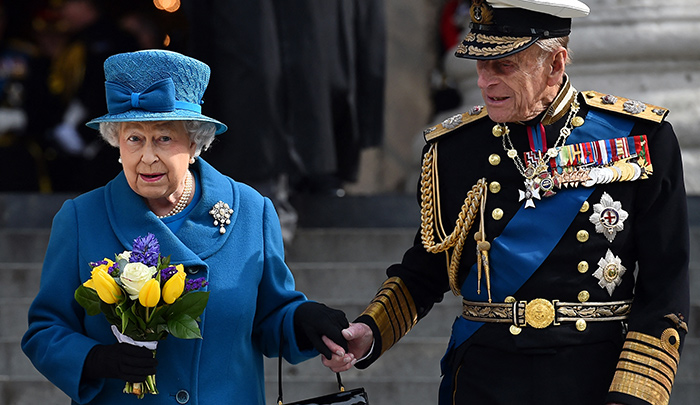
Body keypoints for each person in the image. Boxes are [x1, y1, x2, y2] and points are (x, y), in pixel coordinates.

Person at [322, 1, 690, 404]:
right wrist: (371, 331)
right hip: (484, 375)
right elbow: (426, 270)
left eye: (504, 66)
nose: (484, 82)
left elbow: (664, 286)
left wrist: (634, 396)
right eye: (480, 65)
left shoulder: (639, 138)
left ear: (554, 64)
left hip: (594, 375)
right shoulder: (454, 149)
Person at [21, 49, 349, 404]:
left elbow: (271, 318)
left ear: (195, 143)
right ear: (117, 143)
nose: (147, 157)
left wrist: (302, 320)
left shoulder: (254, 211)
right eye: (134, 138)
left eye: (164, 138)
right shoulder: (81, 218)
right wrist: (95, 359)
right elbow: (45, 331)